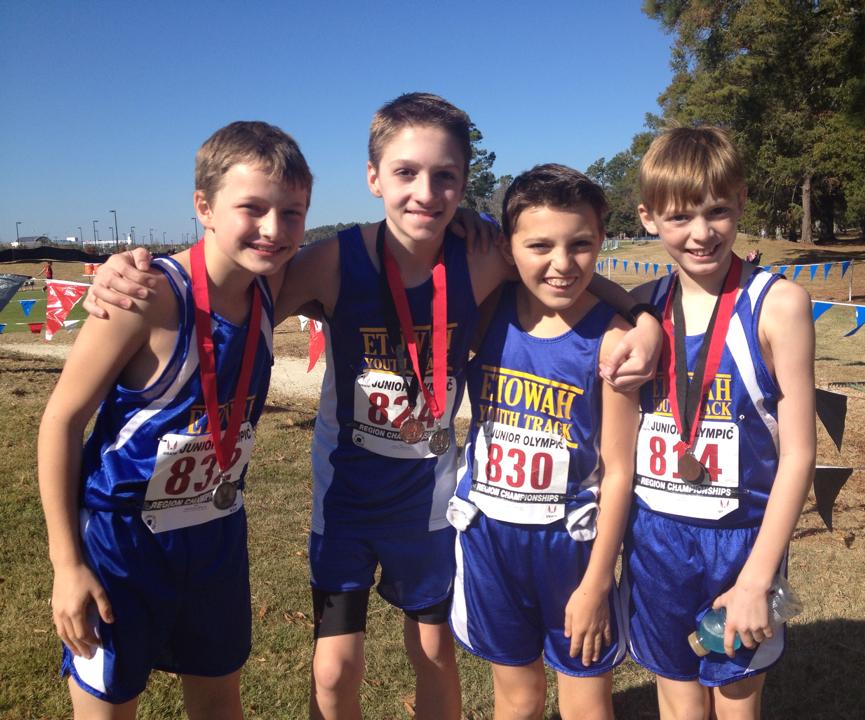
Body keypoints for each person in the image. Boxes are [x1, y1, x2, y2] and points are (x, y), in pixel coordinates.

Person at [83, 93, 661, 720]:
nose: (426, 192)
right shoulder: (334, 262)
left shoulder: (482, 255)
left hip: (429, 506)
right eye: (407, 172)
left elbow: (559, 260)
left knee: (434, 652)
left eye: (445, 177)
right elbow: (232, 277)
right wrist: (132, 269)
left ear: (465, 184)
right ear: (373, 177)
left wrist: (641, 314)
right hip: (347, 505)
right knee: (334, 669)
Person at [37, 120, 312, 718]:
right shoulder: (147, 296)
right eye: (252, 208)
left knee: (218, 699)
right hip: (122, 538)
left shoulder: (276, 284)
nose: (273, 229)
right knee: (110, 702)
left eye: (292, 213)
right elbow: (61, 421)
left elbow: (386, 247)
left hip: (214, 530)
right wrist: (67, 563)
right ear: (203, 207)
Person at [622, 127, 815, 719]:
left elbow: (800, 454)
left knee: (735, 703)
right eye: (679, 216)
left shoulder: (778, 304)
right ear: (648, 218)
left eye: (717, 212)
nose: (701, 233)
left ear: (741, 203)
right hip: (655, 539)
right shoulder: (640, 307)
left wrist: (758, 578)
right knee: (678, 704)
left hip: (740, 541)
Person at [447, 165, 640, 719]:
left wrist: (597, 582)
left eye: (580, 245)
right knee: (517, 697)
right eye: (539, 245)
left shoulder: (614, 338)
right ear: (509, 248)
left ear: (601, 241)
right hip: (489, 540)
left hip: (571, 549)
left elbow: (619, 471)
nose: (562, 264)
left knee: (584, 697)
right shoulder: (486, 313)